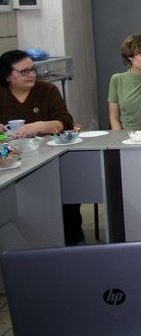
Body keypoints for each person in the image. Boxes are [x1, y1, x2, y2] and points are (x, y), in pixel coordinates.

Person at [0, 49, 85, 245]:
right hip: (9, 159)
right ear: (7, 75)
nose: (31, 75)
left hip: (49, 156)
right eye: (24, 71)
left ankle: (74, 242)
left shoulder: (47, 90)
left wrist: (40, 126)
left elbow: (65, 121)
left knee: (66, 195)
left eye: (33, 70)